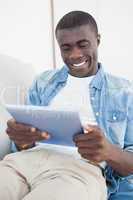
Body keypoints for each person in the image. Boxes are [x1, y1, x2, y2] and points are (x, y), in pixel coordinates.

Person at [0, 10, 133, 200]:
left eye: (83, 45)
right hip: (22, 163)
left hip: (78, 170)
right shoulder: (43, 82)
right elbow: (23, 145)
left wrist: (109, 151)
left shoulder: (124, 91)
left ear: (98, 40)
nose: (74, 55)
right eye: (66, 48)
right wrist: (22, 140)